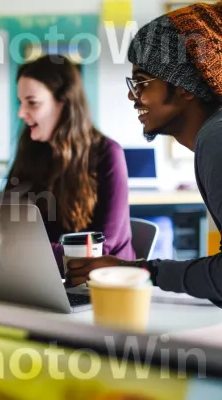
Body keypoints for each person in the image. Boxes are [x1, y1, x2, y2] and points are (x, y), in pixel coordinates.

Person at [67, 3, 222, 302]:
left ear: (184, 87)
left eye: (141, 82)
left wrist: (137, 272)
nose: (131, 94)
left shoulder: (215, 138)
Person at [4, 55, 135, 274]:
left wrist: (25, 251)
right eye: (21, 102)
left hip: (103, 284)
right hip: (45, 276)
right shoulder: (31, 150)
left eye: (32, 103)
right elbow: (7, 222)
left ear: (64, 103)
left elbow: (103, 250)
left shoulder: (108, 154)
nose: (21, 113)